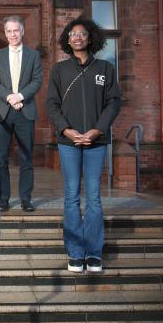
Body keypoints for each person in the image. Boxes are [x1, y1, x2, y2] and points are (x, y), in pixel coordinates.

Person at [46, 17, 121, 273]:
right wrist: (67, 130)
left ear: (90, 38)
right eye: (72, 34)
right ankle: (76, 253)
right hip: (68, 142)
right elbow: (51, 105)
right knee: (71, 197)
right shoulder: (59, 70)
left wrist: (95, 130)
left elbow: (113, 102)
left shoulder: (105, 68)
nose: (77, 37)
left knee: (94, 198)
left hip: (96, 141)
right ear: (67, 40)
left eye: (82, 34)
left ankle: (93, 254)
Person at [0, 15, 43, 212]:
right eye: (9, 31)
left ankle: (26, 199)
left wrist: (20, 96)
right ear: (5, 33)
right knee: (1, 157)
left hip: (25, 111)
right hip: (3, 112)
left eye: (16, 30)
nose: (13, 34)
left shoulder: (33, 55)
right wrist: (9, 96)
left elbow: (37, 80)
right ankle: (3, 199)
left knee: (26, 157)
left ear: (22, 31)